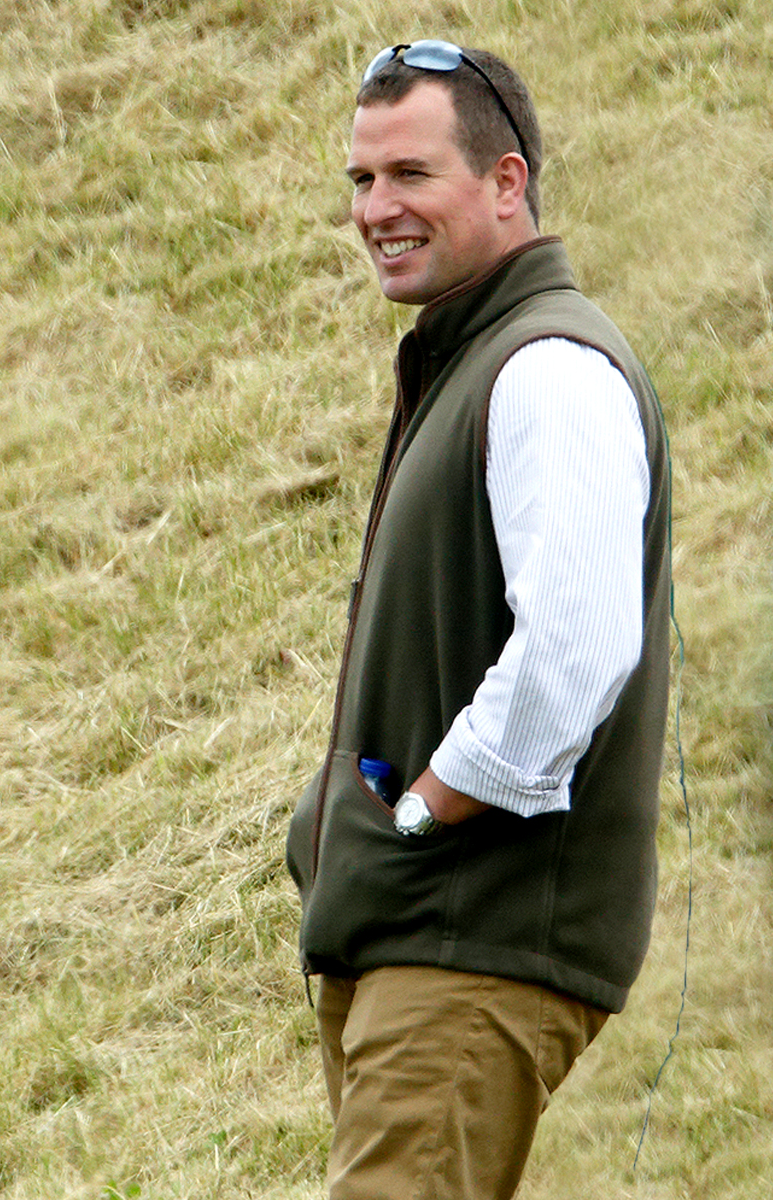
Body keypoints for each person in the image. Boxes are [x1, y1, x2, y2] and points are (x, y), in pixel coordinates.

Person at [286, 40, 672, 1200]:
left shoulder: (548, 369)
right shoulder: (472, 359)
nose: (376, 209)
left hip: (468, 936)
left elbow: (576, 648)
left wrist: (417, 816)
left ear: (507, 183)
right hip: (421, 938)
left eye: (410, 174)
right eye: (361, 181)